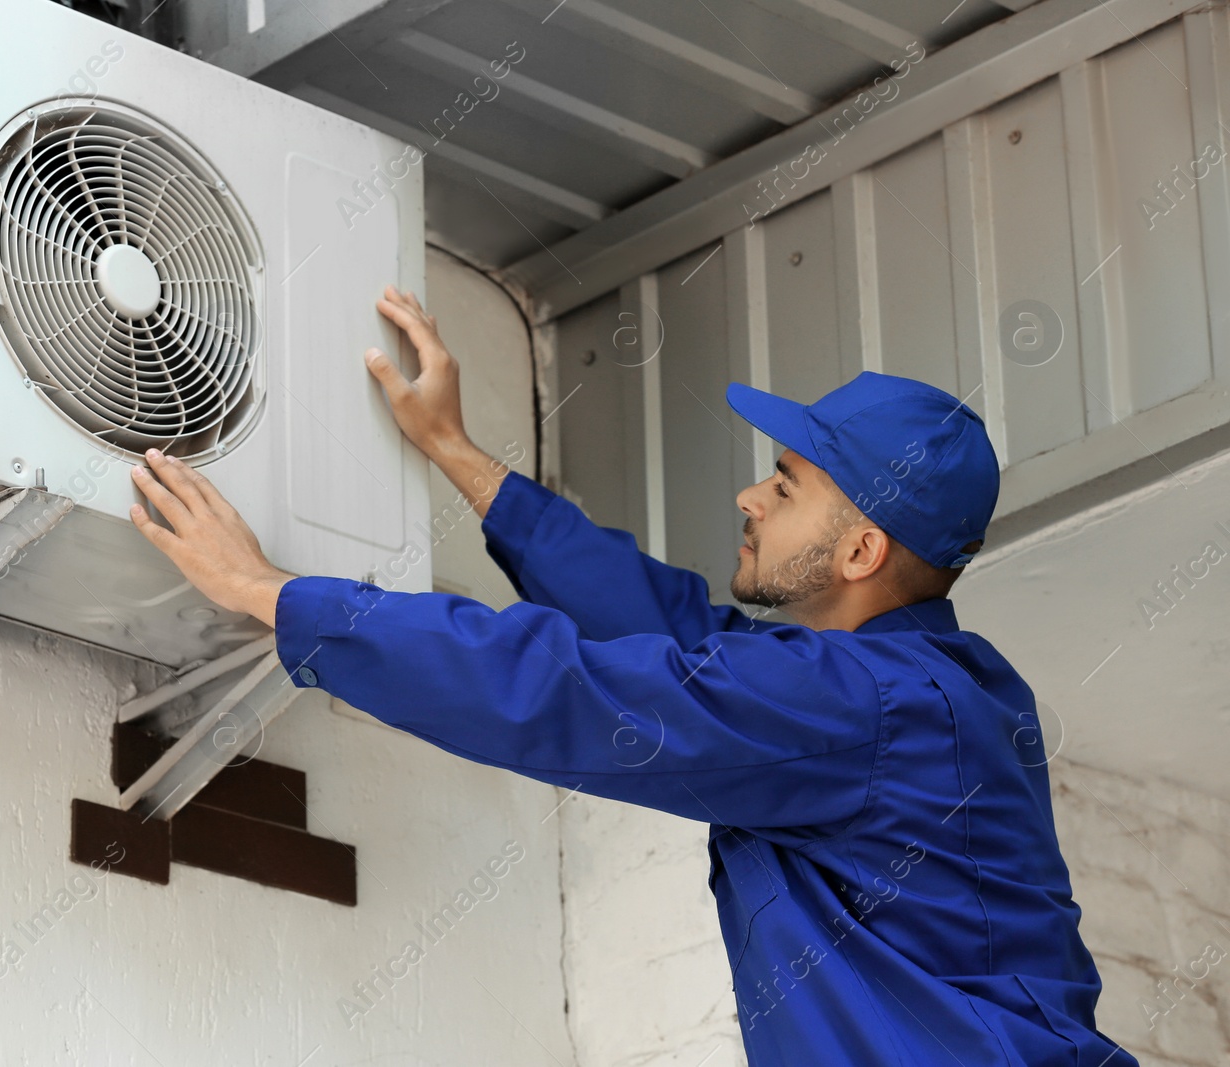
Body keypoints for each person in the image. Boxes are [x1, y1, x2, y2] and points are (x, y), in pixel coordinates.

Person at [127, 286, 1134, 1066]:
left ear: (861, 549)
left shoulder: (872, 704)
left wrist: (272, 591)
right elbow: (671, 630)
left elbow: (572, 693)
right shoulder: (906, 686)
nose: (749, 495)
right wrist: (457, 451)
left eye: (783, 486)